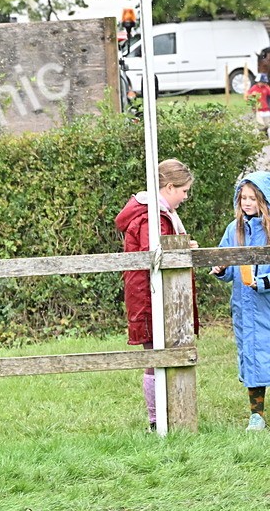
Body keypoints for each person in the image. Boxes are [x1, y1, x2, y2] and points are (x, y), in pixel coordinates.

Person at [115, 159, 199, 430]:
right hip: (151, 298)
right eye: (184, 191)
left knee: (162, 357)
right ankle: (156, 420)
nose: (185, 197)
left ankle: (168, 416)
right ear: (170, 187)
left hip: (155, 296)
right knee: (154, 360)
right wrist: (181, 250)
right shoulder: (151, 217)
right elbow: (155, 256)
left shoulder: (158, 214)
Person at [210, 172, 270, 430]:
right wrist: (220, 269)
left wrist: (263, 283)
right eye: (243, 198)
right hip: (245, 308)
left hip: (266, 305)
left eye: (252, 198)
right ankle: (257, 415)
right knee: (253, 358)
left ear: (263, 200)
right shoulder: (233, 230)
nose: (247, 203)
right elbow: (225, 264)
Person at [245, 73, 270, 138]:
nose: (264, 83)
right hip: (258, 110)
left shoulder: (267, 88)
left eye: (265, 82)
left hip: (267, 110)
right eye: (262, 82)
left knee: (267, 124)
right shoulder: (254, 88)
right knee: (260, 125)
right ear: (258, 81)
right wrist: (251, 96)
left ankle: (266, 136)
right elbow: (247, 98)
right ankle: (261, 137)